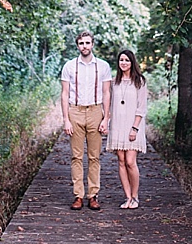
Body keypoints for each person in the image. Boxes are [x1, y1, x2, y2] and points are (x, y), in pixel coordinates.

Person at [60, 30, 111, 211]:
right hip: (75, 111)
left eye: (87, 43)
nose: (85, 46)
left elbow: (106, 93)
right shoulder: (69, 66)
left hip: (96, 110)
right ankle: (78, 195)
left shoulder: (103, 66)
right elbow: (65, 94)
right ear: (77, 45)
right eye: (81, 43)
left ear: (92, 44)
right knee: (76, 155)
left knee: (94, 156)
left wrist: (106, 118)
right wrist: (66, 119)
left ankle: (93, 195)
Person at [105, 49, 148, 209]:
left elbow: (141, 108)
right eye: (121, 60)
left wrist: (135, 128)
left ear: (132, 62)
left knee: (131, 161)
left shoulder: (140, 81)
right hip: (117, 125)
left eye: (127, 60)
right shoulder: (114, 82)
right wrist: (105, 121)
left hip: (132, 125)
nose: (123, 63)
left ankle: (135, 196)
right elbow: (108, 104)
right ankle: (128, 197)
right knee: (121, 161)